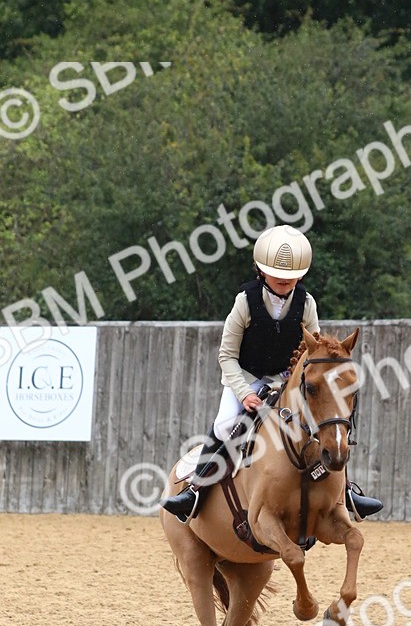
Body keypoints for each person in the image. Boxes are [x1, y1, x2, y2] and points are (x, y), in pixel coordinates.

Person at [161, 224, 383, 523]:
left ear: (301, 274)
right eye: (277, 274)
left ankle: (346, 494)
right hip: (245, 377)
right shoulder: (245, 302)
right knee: (226, 425)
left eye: (292, 275)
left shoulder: (306, 303)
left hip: (286, 380)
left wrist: (294, 384)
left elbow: (313, 352)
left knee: (324, 423)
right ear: (261, 271)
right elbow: (226, 355)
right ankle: (194, 491)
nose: (284, 280)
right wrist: (246, 393)